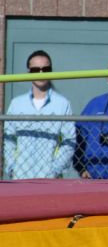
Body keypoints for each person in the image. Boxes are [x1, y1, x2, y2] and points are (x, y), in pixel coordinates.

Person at [3, 50, 76, 180]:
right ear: (28, 73)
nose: (41, 73)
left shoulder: (62, 104)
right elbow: (9, 140)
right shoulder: (16, 104)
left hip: (50, 180)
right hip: (20, 177)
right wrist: (13, 168)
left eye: (46, 69)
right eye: (36, 69)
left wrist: (54, 170)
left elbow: (69, 140)